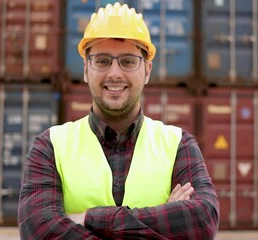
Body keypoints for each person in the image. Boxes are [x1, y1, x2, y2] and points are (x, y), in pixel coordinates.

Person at [18, 2, 219, 239]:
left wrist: (87, 218)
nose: (114, 73)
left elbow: (202, 222)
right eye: (102, 61)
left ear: (147, 71)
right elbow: (38, 231)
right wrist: (161, 220)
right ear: (85, 70)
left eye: (128, 61)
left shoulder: (178, 144)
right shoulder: (50, 146)